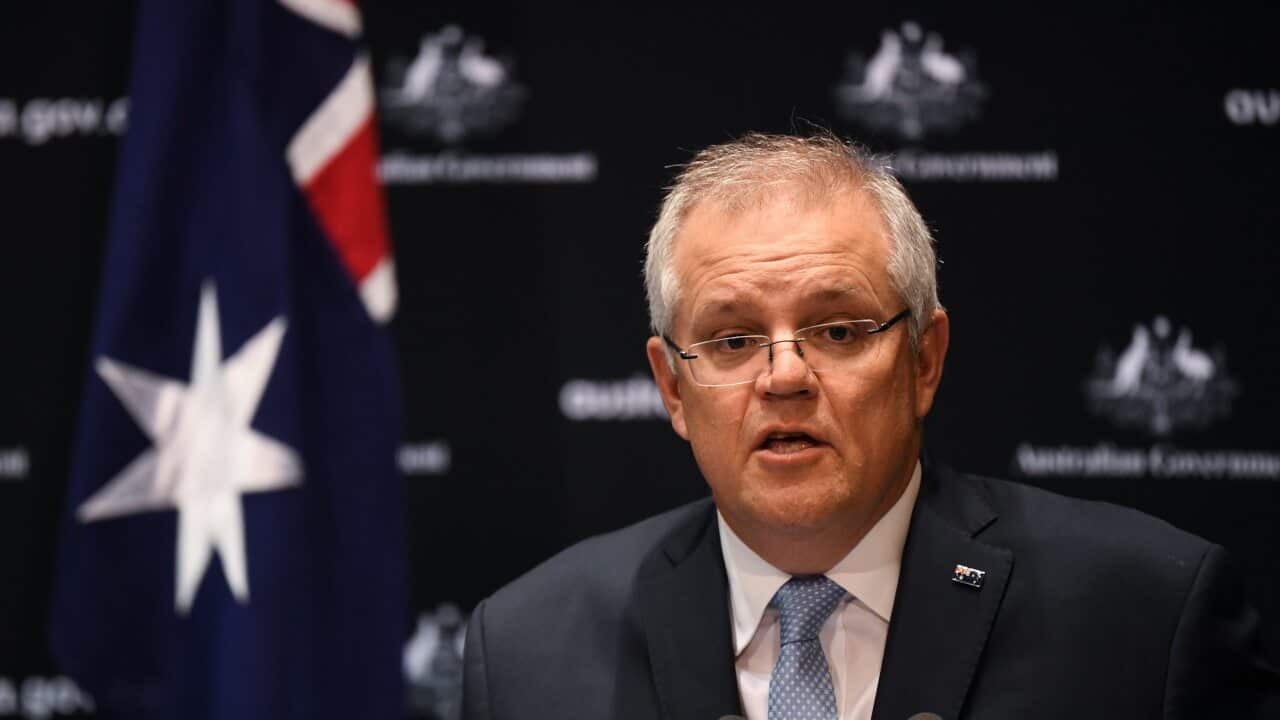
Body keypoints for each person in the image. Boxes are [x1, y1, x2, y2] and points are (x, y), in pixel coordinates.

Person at [461, 132, 1279, 719]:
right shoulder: (529, 650)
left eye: (839, 330)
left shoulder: (1144, 616)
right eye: (734, 340)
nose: (785, 377)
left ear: (924, 359)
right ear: (673, 387)